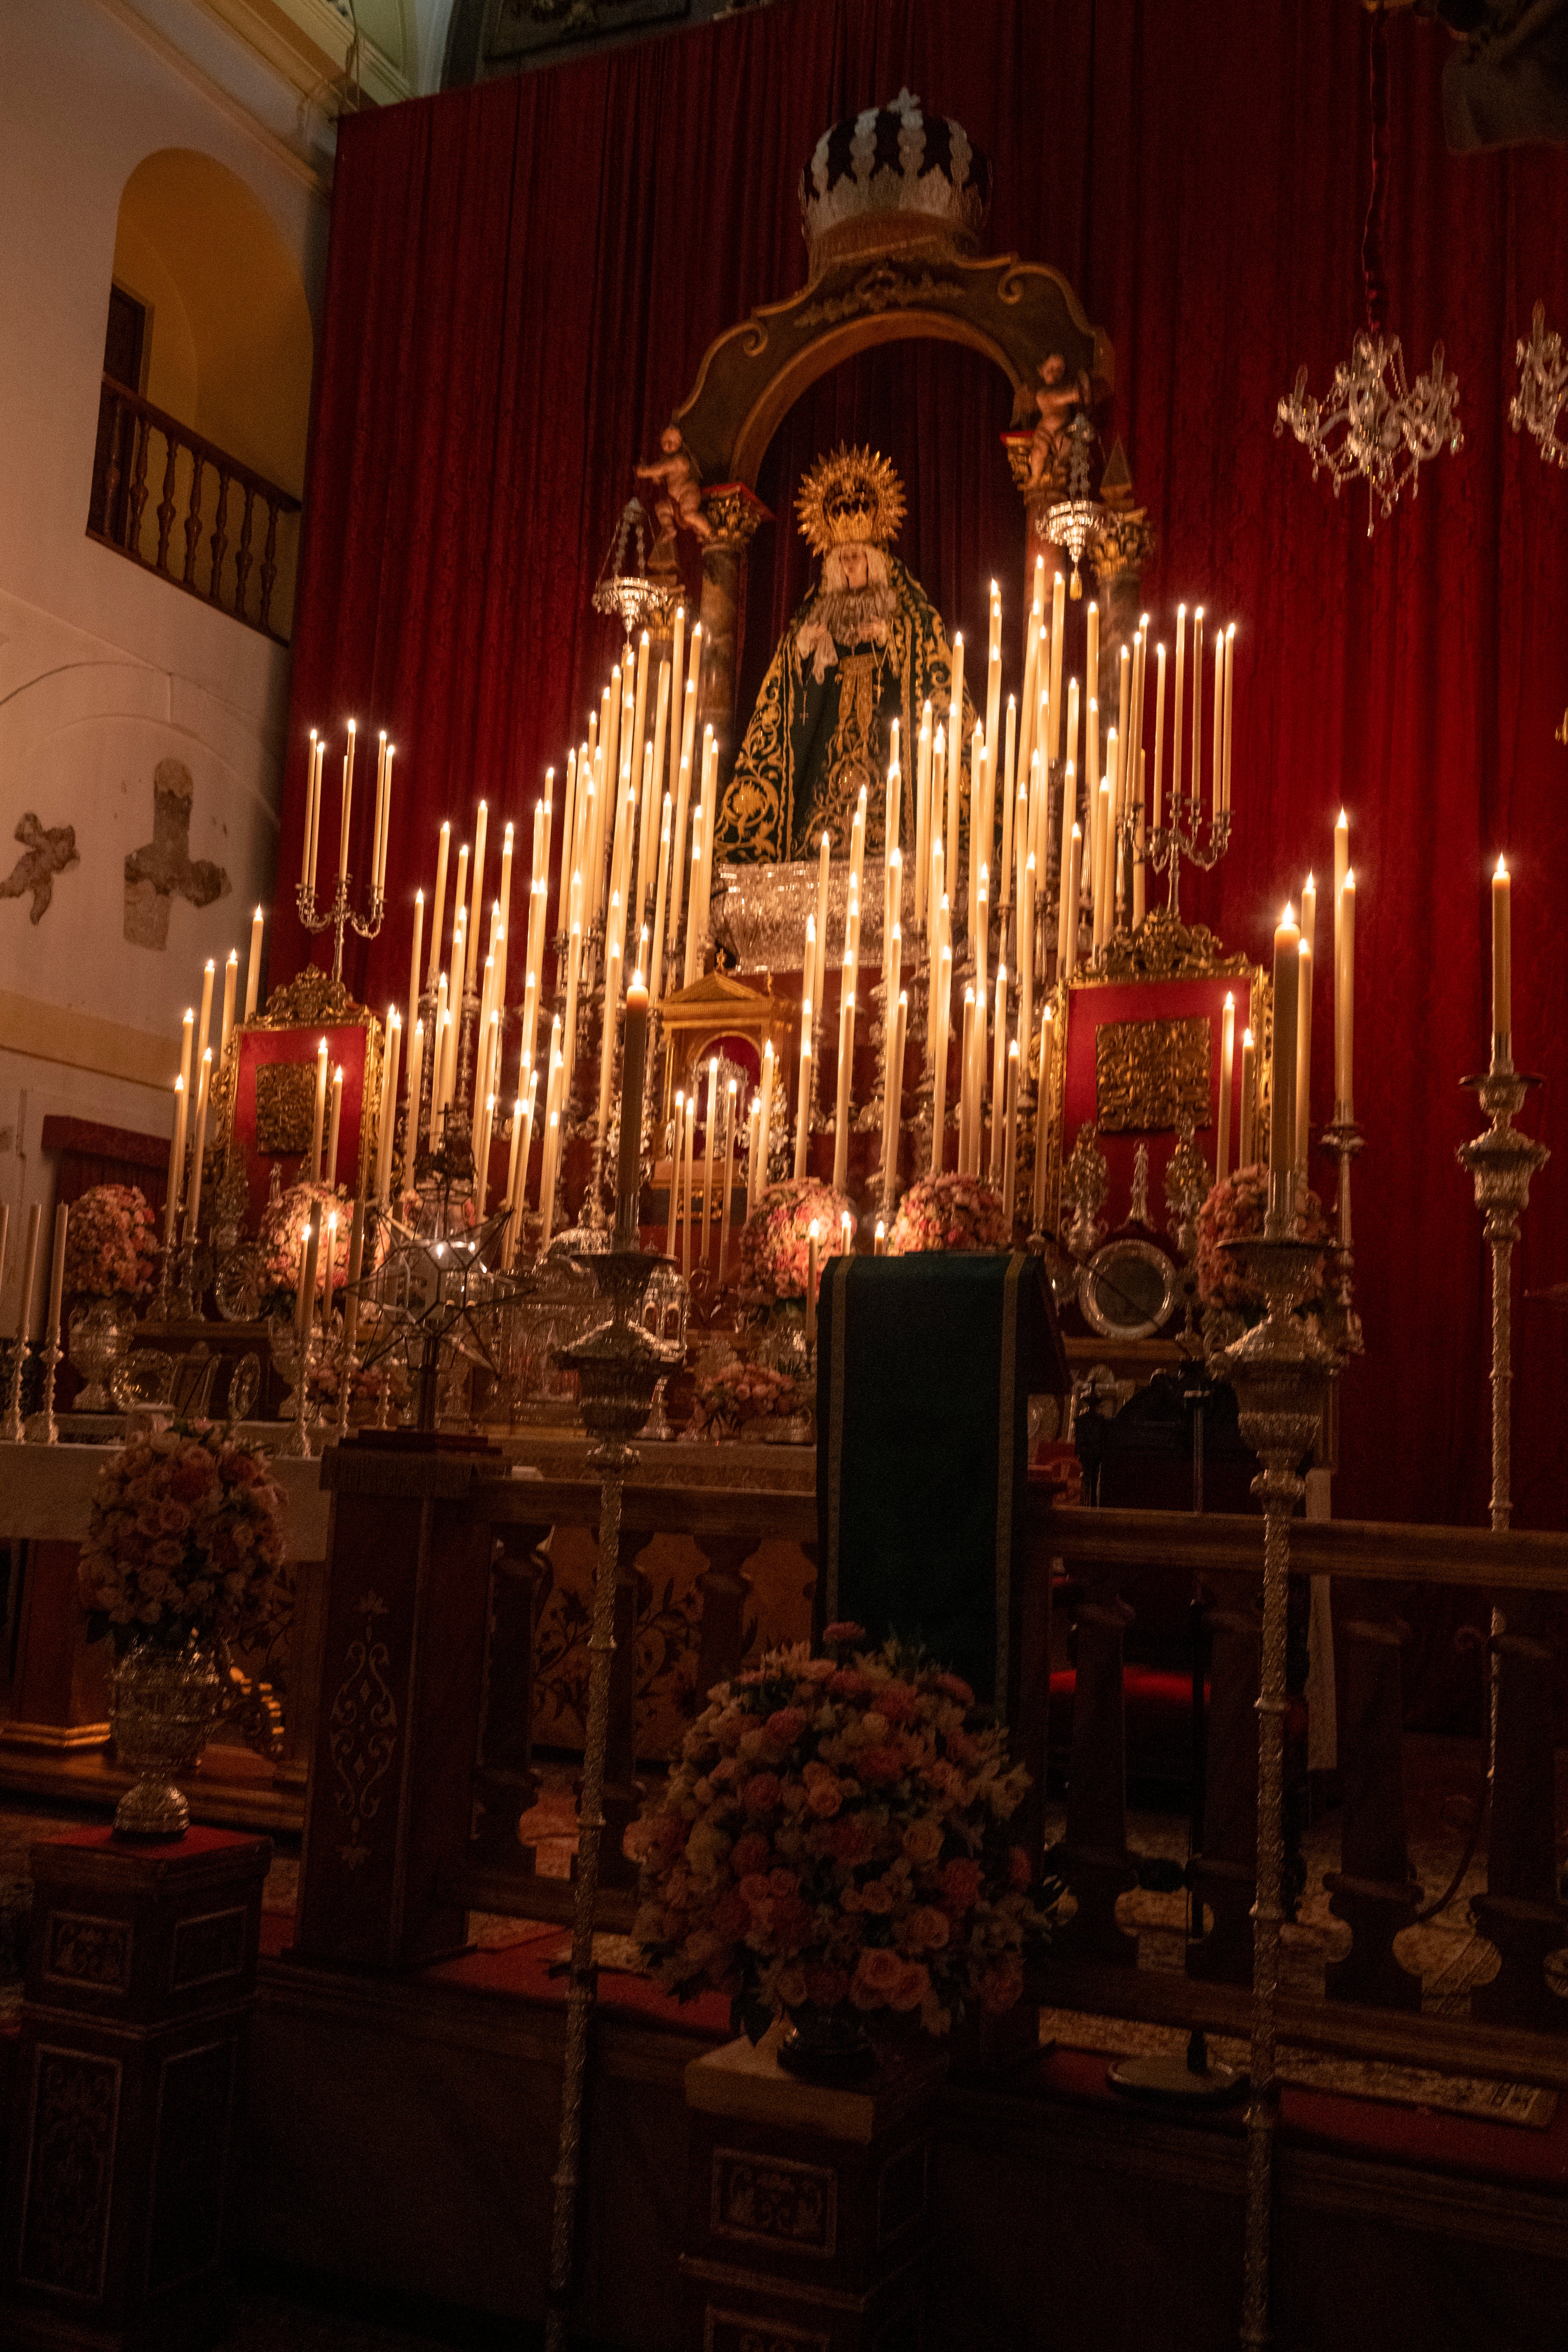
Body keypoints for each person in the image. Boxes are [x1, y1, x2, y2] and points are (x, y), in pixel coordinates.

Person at [716, 444, 971, 863]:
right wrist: (804, 647)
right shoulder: (822, 603)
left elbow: (930, 646)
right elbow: (790, 668)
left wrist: (892, 637)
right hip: (831, 723)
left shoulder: (901, 599)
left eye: (858, 558)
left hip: (887, 721)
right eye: (844, 559)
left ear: (873, 559)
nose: (851, 566)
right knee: (822, 806)